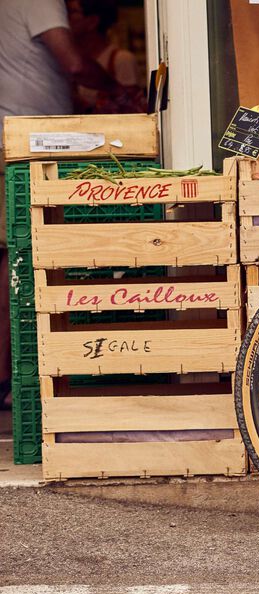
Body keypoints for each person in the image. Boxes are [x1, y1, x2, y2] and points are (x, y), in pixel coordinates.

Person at [0, 0, 121, 408]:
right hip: (25, 142)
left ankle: (13, 373)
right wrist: (112, 85)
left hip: (23, 136)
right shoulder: (36, 0)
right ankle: (14, 374)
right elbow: (72, 63)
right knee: (19, 252)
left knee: (15, 249)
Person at [68, 0, 146, 114]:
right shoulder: (68, 59)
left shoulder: (121, 59)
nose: (66, 17)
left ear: (92, 21)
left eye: (72, 12)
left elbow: (131, 110)